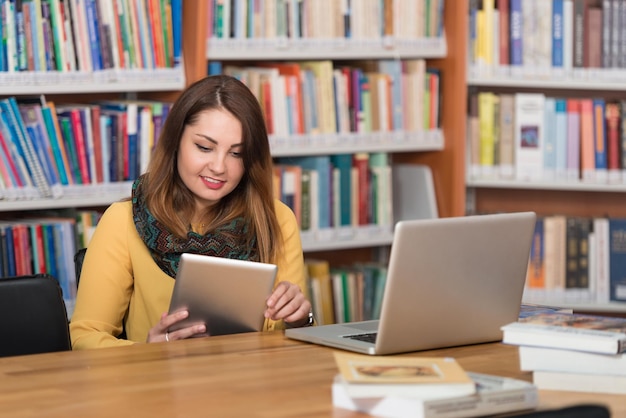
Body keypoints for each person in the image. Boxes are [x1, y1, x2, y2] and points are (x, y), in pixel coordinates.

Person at [70, 75, 313, 349]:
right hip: (156, 387)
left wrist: (301, 319)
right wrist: (147, 352)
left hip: (249, 385)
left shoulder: (277, 219)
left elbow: (290, 344)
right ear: (175, 142)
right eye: (204, 147)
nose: (219, 167)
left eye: (236, 154)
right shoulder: (122, 221)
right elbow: (84, 336)